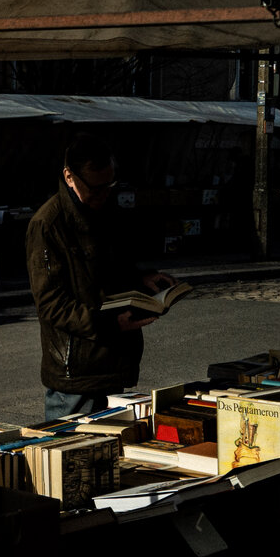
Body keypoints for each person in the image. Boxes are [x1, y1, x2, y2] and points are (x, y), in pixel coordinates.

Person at [25, 130, 176, 420]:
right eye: (95, 189)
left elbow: (109, 271)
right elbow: (50, 304)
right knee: (72, 443)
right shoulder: (48, 224)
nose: (103, 195)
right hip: (76, 372)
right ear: (69, 177)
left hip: (111, 361)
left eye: (109, 185)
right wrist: (107, 324)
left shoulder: (106, 210)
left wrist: (141, 280)